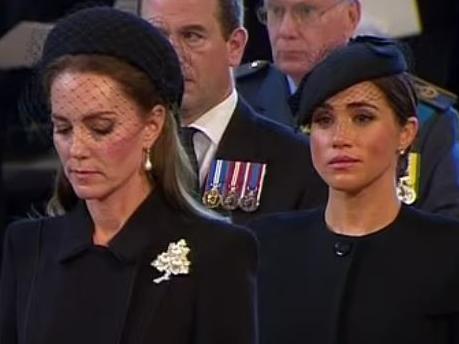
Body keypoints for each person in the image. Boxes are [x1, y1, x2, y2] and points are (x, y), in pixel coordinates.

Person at [0, 7, 257, 344]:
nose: (76, 148)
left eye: (100, 128)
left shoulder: (218, 252)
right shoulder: (27, 246)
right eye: (63, 128)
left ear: (152, 126)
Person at [249, 36, 459, 344]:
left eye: (362, 118)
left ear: (406, 133)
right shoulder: (264, 245)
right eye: (324, 120)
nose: (340, 137)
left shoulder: (449, 253)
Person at [236, 0, 459, 218]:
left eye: (306, 11)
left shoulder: (426, 119)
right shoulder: (237, 101)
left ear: (352, 16)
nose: (285, 31)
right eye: (275, 12)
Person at [139, 0, 327, 224]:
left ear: (235, 46)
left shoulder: (299, 164)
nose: (173, 55)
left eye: (192, 36)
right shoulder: (119, 148)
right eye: (159, 37)